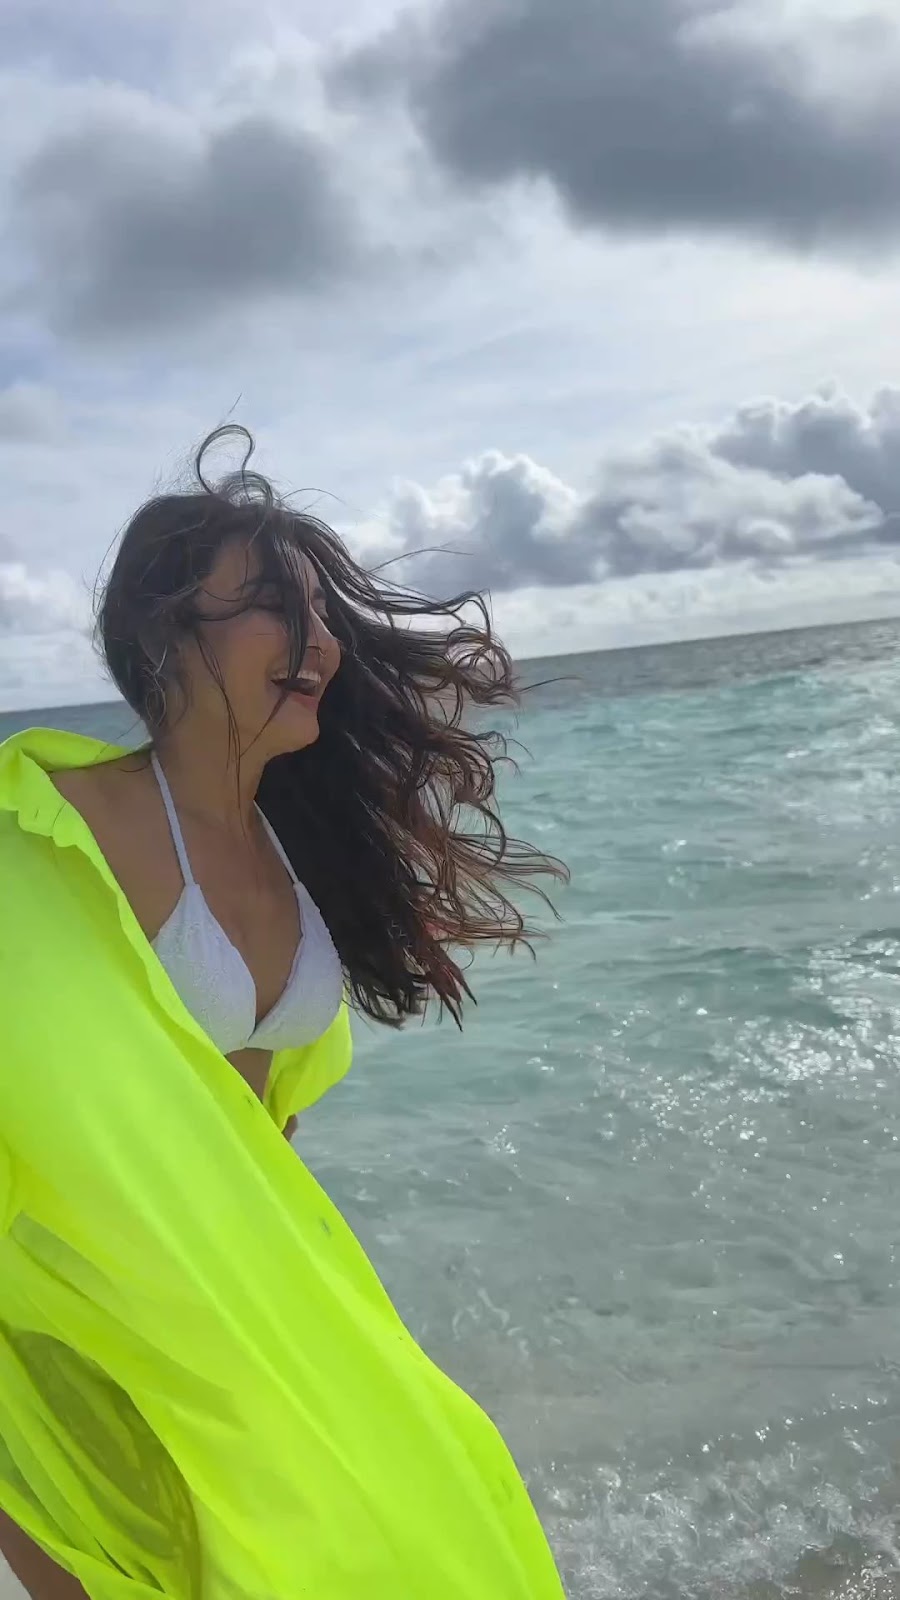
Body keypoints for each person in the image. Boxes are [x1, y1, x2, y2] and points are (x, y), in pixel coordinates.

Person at [0, 427, 568, 1600]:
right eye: (271, 605)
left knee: (421, 1519)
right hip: (81, 1319)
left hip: (256, 1308)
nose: (318, 642)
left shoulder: (295, 847)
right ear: (163, 634)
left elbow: (259, 1130)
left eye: (320, 614)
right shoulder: (48, 835)